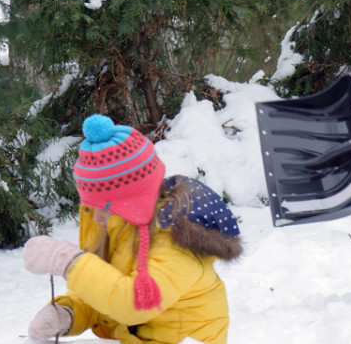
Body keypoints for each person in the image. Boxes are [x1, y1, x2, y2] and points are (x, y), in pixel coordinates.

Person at [23, 114, 242, 343]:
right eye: (91, 205)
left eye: (104, 208)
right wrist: (70, 313)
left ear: (131, 202)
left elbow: (133, 304)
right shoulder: (124, 229)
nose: (96, 217)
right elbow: (107, 292)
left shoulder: (175, 240)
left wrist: (69, 263)